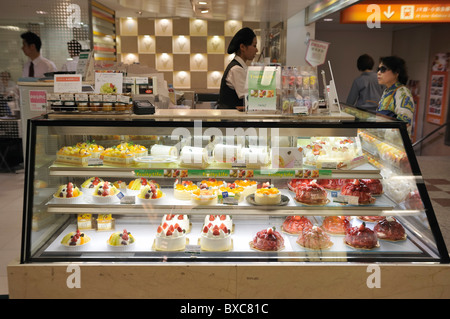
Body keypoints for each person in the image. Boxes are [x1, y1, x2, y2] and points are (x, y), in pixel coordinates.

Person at [218, 27, 258, 110]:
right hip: (230, 120)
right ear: (242, 47)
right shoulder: (236, 69)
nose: (256, 50)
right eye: (254, 45)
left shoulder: (240, 67)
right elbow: (248, 96)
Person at [376, 56, 415, 133]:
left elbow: (404, 124)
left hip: (395, 143)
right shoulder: (387, 91)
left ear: (396, 72)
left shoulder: (403, 92)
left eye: (383, 69)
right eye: (378, 69)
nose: (378, 73)